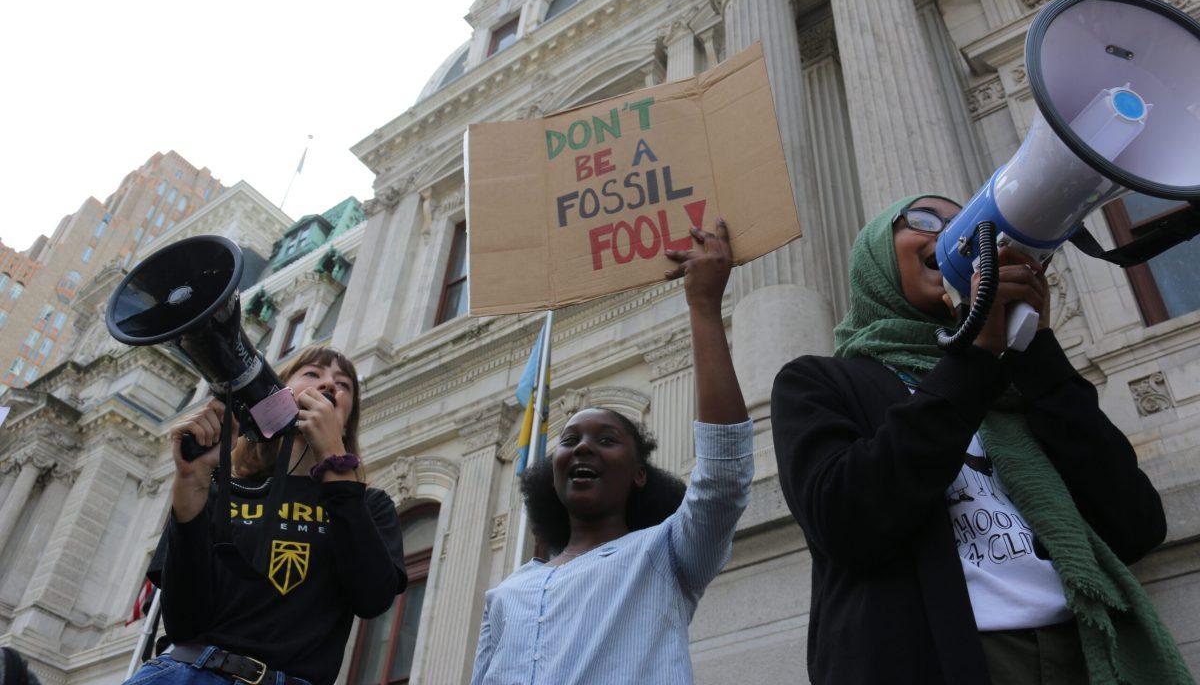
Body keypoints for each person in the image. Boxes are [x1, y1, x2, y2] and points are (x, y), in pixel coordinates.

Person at [771, 194, 1192, 684]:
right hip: (937, 659)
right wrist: (973, 357)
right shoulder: (819, 382)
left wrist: (1034, 350)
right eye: (925, 221)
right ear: (876, 263)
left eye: (968, 223)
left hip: (1083, 652)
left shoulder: (1017, 384)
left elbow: (1136, 525)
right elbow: (845, 520)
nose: (954, 235)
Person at [470, 219, 754, 685]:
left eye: (606, 440)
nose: (583, 446)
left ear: (639, 474)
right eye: (570, 439)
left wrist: (703, 306)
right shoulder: (506, 594)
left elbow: (723, 475)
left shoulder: (666, 554)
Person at [125, 346, 406, 685]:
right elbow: (184, 621)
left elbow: (373, 598)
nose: (329, 385)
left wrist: (335, 461)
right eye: (313, 374)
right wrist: (191, 482)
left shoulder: (370, 506)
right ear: (275, 397)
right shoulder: (221, 491)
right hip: (187, 674)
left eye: (343, 385)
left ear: (345, 424)